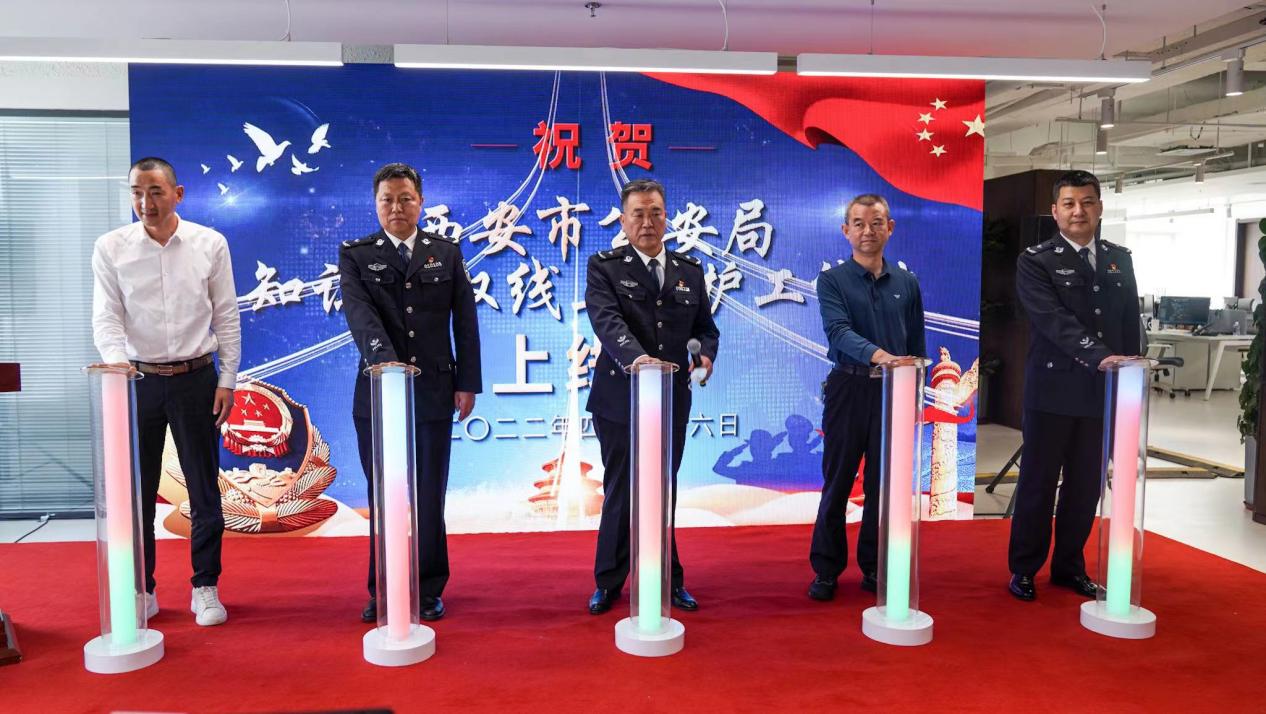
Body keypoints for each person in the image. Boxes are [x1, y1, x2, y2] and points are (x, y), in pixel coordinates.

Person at [92, 156, 241, 626]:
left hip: (197, 379)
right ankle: (142, 589)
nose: (145, 202)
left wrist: (228, 378)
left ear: (178, 194)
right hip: (137, 382)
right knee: (136, 494)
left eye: (155, 191)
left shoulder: (209, 243)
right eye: (136, 192)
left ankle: (205, 587)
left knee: (203, 489)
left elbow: (226, 315)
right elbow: (107, 317)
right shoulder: (111, 247)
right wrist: (117, 366)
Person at [339, 162, 481, 623]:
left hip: (434, 391)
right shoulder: (356, 255)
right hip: (378, 393)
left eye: (405, 199)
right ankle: (383, 588)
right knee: (384, 495)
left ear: (420, 202)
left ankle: (429, 587)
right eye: (387, 200)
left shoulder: (446, 253)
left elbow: (465, 321)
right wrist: (386, 363)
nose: (396, 207)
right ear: (375, 204)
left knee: (429, 493)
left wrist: (467, 382)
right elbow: (360, 316)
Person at [584, 178, 720, 615]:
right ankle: (609, 580)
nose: (647, 222)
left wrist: (705, 355)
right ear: (623, 222)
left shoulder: (689, 271)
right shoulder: (604, 267)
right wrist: (638, 360)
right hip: (619, 399)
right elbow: (607, 321)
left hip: (671, 399)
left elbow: (705, 329)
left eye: (655, 213)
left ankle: (666, 577)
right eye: (638, 214)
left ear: (667, 218)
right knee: (621, 487)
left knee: (663, 488)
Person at [1007, 170, 1140, 601]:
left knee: (1086, 486)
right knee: (1038, 484)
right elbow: (1052, 321)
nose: (1078, 211)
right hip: (1052, 391)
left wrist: (1132, 369)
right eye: (1069, 203)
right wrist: (1100, 355)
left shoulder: (1119, 258)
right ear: (1055, 211)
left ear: (1099, 207)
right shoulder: (1036, 260)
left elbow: (1129, 322)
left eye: (1086, 202)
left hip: (1102, 392)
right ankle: (1024, 569)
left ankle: (1069, 567)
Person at [808, 193, 926, 601]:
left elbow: (916, 343)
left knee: (884, 485)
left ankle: (875, 566)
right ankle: (826, 569)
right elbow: (838, 332)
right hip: (849, 387)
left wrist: (913, 388)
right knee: (838, 480)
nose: (867, 231)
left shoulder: (907, 283)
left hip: (894, 391)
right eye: (858, 223)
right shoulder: (832, 281)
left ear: (890, 228)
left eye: (876, 223)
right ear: (846, 231)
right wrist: (882, 357)